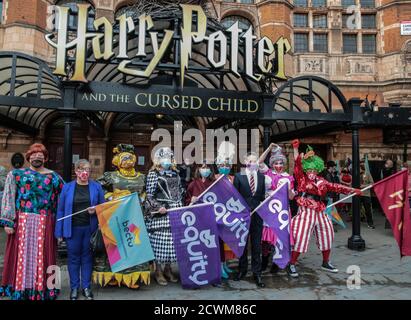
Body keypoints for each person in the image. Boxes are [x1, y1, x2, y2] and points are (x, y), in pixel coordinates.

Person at [287, 140, 361, 278]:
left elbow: (336, 187)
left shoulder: (323, 181)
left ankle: (326, 262)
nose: (311, 172)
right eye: (309, 169)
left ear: (318, 169)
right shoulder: (301, 178)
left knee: (327, 232)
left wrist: (352, 190)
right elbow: (297, 164)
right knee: (301, 235)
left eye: (314, 169)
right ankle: (292, 263)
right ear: (305, 169)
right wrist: (295, 148)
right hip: (306, 208)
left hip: (320, 209)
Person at [0, 143, 64, 300]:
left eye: (40, 154)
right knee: (21, 256)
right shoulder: (16, 175)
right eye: (34, 154)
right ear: (28, 157)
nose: (37, 156)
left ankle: (49, 289)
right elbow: (8, 197)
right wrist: (8, 221)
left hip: (46, 222)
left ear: (45, 157)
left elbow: (66, 198)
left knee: (48, 255)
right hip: (22, 222)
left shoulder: (54, 177)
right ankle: (20, 288)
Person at [95, 144, 150, 289]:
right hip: (115, 216)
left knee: (133, 245)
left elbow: (146, 192)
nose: (128, 161)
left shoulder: (141, 177)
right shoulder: (110, 176)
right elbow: (97, 188)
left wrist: (142, 198)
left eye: (130, 158)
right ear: (117, 160)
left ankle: (132, 278)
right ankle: (113, 276)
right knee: (116, 247)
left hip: (135, 217)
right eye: (124, 158)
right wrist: (111, 196)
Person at [55, 159, 105, 300]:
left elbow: (103, 207)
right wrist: (59, 232)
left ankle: (86, 287)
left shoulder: (96, 187)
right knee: (73, 259)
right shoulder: (67, 188)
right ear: (76, 171)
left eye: (88, 169)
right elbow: (61, 210)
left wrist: (95, 210)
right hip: (72, 229)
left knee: (87, 258)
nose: (85, 172)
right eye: (81, 169)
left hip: (90, 229)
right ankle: (74, 288)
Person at [144, 147, 183, 286]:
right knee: (160, 242)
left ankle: (168, 269)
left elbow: (179, 191)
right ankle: (158, 271)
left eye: (169, 157)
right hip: (160, 212)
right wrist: (157, 207)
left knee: (172, 244)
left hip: (175, 211)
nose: (166, 160)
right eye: (164, 157)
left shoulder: (175, 174)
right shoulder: (153, 174)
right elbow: (149, 195)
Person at [258, 143, 295, 274]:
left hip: (282, 212)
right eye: (276, 163)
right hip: (268, 210)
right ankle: (264, 261)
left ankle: (276, 261)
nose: (278, 166)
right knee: (266, 239)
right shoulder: (268, 172)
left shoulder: (289, 177)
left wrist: (290, 190)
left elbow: (291, 197)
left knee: (279, 237)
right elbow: (258, 162)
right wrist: (268, 148)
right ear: (272, 164)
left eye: (281, 163)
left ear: (284, 164)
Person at [233, 152, 266, 288]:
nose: (253, 163)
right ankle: (242, 270)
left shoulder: (261, 177)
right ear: (245, 161)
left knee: (257, 245)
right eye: (250, 160)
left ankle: (257, 273)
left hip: (258, 216)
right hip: (243, 216)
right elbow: (234, 197)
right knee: (243, 244)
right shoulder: (238, 176)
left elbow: (262, 196)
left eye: (255, 161)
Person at [214, 141, 237, 279]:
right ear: (218, 166)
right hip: (217, 214)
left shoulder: (233, 178)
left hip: (230, 214)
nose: (224, 167)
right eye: (222, 165)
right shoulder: (214, 178)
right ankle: (219, 265)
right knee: (219, 241)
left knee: (228, 241)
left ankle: (225, 263)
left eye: (227, 166)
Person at [359, 159, 375, 229]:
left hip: (366, 194)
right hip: (357, 194)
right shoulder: (356, 174)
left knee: (368, 210)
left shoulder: (367, 174)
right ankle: (357, 223)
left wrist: (364, 186)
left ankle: (370, 223)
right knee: (356, 209)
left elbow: (372, 183)